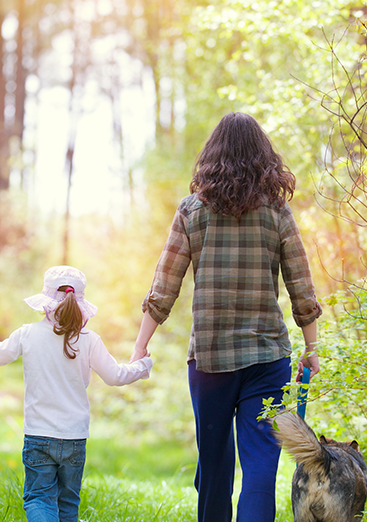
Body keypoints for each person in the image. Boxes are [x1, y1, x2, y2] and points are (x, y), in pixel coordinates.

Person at [131, 112, 323, 522]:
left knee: (214, 467)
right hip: (267, 358)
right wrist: (312, 347)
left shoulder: (191, 211)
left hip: (211, 361)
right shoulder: (277, 213)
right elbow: (301, 286)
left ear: (212, 156)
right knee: (259, 467)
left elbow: (164, 287)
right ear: (263, 157)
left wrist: (140, 344)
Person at [0, 265, 153, 522]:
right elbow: (115, 376)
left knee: (39, 498)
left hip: (38, 435)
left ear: (45, 302)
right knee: (68, 505)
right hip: (74, 438)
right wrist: (143, 365)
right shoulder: (89, 339)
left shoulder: (27, 334)